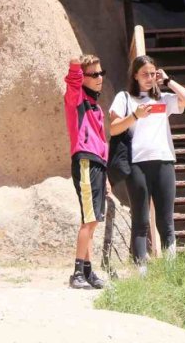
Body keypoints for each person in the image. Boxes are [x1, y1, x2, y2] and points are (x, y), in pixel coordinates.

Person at [109, 55, 185, 268]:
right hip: (137, 163)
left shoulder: (163, 99)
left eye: (152, 73)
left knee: (166, 220)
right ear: (135, 75)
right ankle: (140, 270)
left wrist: (167, 81)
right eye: (144, 74)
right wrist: (135, 116)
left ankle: (170, 268)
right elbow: (114, 127)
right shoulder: (125, 98)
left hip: (164, 161)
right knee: (140, 219)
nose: (149, 78)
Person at [64, 54, 110, 290]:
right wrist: (75, 66)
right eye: (94, 74)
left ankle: (89, 272)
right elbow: (72, 83)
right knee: (88, 219)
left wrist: (107, 175)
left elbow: (102, 140)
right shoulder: (76, 98)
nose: (99, 78)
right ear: (83, 78)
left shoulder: (96, 107)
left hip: (98, 163)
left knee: (92, 222)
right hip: (84, 160)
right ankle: (77, 273)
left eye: (101, 73)